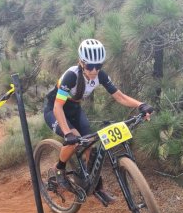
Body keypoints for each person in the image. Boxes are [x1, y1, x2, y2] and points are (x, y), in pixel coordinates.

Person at [44, 38, 153, 204]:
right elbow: (57, 107)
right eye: (89, 66)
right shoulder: (70, 76)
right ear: (81, 62)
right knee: (73, 140)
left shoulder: (100, 76)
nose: (94, 70)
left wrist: (141, 105)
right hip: (54, 109)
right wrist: (67, 133)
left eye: (99, 66)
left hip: (74, 109)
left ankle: (95, 185)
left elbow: (120, 97)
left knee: (90, 146)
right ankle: (59, 169)